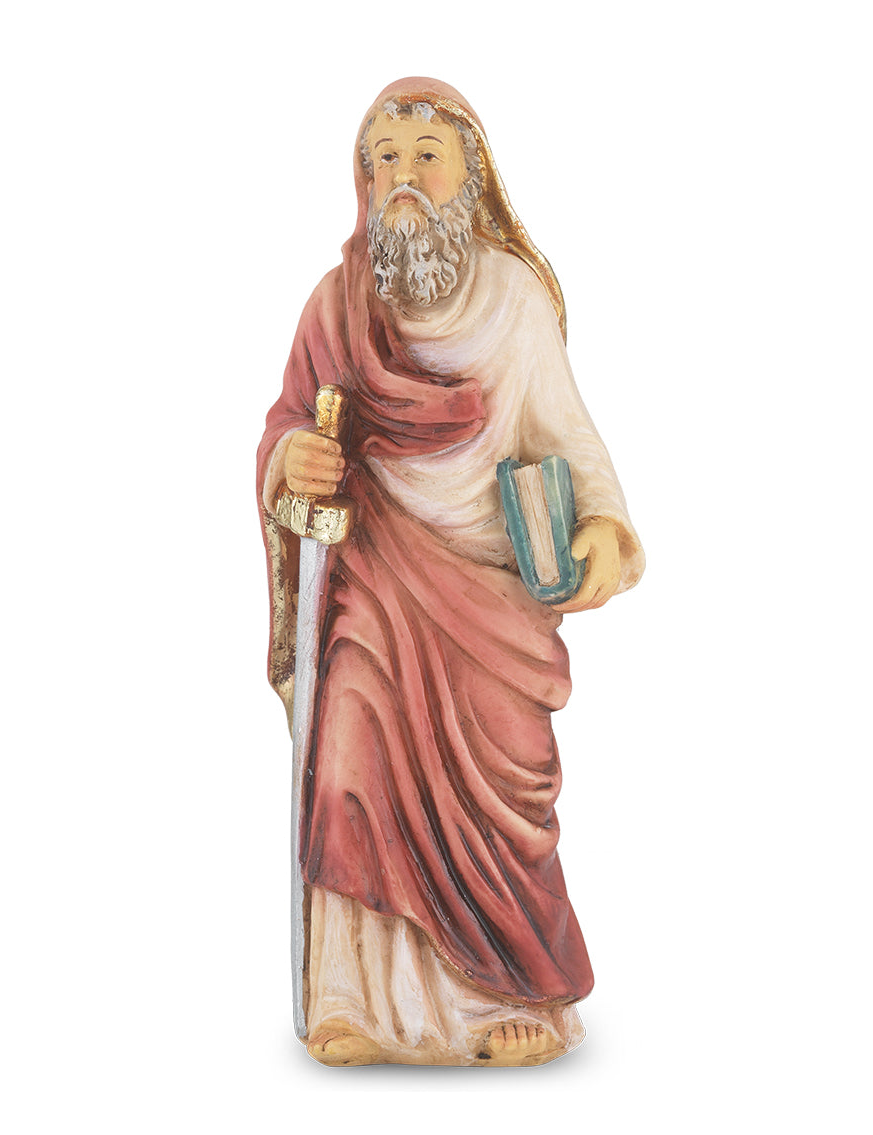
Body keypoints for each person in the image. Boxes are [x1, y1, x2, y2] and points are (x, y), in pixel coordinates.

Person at [257, 78, 644, 1067]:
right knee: (348, 758)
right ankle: (351, 992)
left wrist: (603, 529)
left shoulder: (514, 302)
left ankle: (508, 992)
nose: (403, 177)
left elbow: (569, 437)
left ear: (471, 176)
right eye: (383, 159)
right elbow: (288, 422)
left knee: (508, 784)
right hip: (375, 584)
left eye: (425, 157)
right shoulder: (337, 305)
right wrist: (293, 458)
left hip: (492, 598)